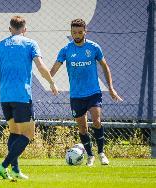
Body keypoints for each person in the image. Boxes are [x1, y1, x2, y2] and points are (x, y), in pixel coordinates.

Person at [0, 16, 58, 180]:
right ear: (25, 29)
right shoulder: (30, 43)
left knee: (15, 132)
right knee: (29, 133)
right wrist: (51, 82)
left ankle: (15, 170)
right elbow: (41, 66)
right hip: (22, 96)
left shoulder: (0, 45)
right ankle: (3, 166)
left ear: (10, 29)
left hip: (5, 97)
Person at [50, 18, 123, 166]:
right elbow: (55, 68)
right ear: (71, 32)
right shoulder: (66, 50)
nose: (76, 35)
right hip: (76, 95)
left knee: (96, 121)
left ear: (85, 31)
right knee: (82, 128)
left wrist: (111, 88)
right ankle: (90, 156)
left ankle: (102, 153)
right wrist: (51, 81)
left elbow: (105, 67)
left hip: (93, 92)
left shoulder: (94, 47)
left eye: (79, 32)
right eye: (74, 32)